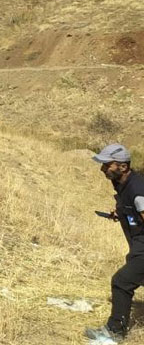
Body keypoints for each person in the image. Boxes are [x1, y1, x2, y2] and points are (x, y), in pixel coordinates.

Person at [86, 143, 144, 343]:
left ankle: (115, 332)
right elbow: (135, 212)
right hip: (138, 246)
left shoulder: (137, 189)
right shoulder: (123, 184)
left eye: (107, 164)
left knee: (121, 282)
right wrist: (121, 213)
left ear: (123, 166)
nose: (102, 168)